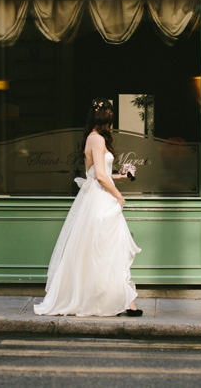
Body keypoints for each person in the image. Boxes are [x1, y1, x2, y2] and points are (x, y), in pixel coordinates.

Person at [34, 98, 142, 317]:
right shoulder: (98, 140)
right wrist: (119, 197)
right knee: (108, 250)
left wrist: (121, 175)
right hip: (101, 201)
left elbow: (96, 174)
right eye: (111, 117)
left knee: (104, 250)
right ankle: (117, 301)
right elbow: (100, 177)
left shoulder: (92, 138)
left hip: (97, 198)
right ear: (106, 119)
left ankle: (123, 301)